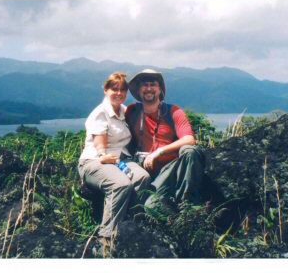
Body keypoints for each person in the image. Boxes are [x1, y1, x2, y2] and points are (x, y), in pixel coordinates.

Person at [77, 72, 151, 243]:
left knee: (142, 178)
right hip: (96, 161)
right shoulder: (101, 113)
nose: (119, 93)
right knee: (120, 184)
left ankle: (128, 225)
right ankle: (106, 236)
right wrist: (104, 155)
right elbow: (100, 146)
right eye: (114, 89)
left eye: (122, 90)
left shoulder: (124, 111)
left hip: (120, 159)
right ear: (105, 90)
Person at [125, 69, 205, 208]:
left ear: (160, 89)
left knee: (189, 151)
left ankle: (188, 204)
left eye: (153, 84)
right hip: (146, 171)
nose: (149, 88)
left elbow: (189, 139)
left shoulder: (173, 111)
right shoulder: (132, 111)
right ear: (138, 90)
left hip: (172, 169)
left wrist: (159, 151)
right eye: (144, 85)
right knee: (151, 206)